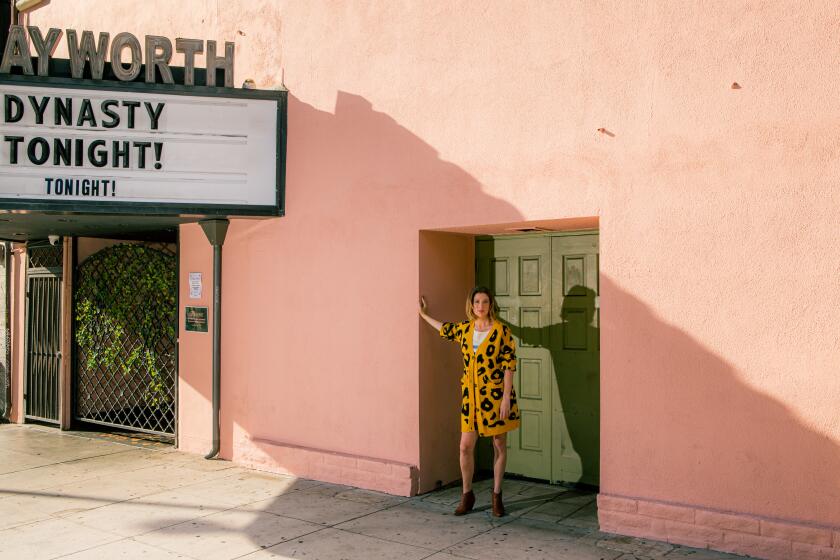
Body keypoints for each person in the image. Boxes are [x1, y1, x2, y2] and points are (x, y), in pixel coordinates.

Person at [419, 286, 520, 517]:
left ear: (490, 304)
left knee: (499, 444)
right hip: (471, 399)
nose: (481, 306)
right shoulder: (465, 330)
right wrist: (424, 315)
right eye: (477, 302)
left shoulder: (502, 331)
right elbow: (444, 328)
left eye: (485, 302)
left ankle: (496, 495)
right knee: (465, 447)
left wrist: (506, 398)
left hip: (495, 398)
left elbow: (509, 365)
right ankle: (467, 495)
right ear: (471, 305)